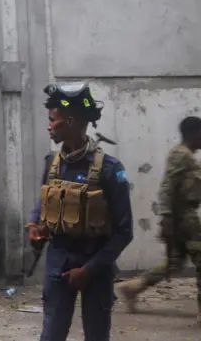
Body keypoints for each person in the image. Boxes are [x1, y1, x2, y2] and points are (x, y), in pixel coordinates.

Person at [26, 82, 133, 341]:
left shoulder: (109, 169)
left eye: (53, 120)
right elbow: (42, 206)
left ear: (71, 120)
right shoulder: (51, 163)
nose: (49, 125)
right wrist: (34, 227)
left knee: (96, 334)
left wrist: (90, 270)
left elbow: (124, 231)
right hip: (58, 258)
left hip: (95, 263)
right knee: (51, 333)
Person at [117, 116, 201, 324]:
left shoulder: (187, 156)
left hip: (184, 218)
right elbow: (167, 188)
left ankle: (132, 288)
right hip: (184, 219)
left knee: (174, 263)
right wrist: (166, 219)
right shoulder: (181, 156)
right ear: (194, 134)